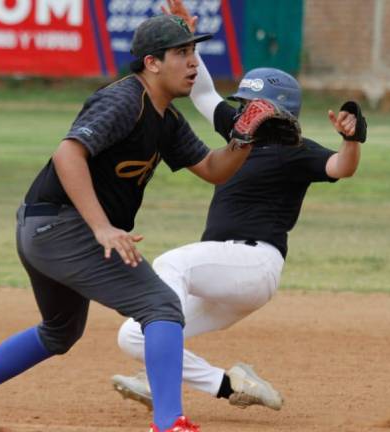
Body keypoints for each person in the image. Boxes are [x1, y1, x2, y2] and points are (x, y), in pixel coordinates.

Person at [0, 14, 255, 432]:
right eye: (182, 53)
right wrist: (101, 227)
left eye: (194, 52)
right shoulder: (124, 99)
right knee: (162, 307)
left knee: (60, 331)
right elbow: (68, 154)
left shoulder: (166, 119)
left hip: (41, 227)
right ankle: (170, 423)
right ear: (152, 63)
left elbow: (212, 168)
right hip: (62, 226)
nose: (193, 63)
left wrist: (244, 139)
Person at [110, 0, 367, 414]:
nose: (244, 110)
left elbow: (342, 167)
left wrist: (351, 140)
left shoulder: (295, 150)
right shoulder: (239, 135)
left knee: (170, 266)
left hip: (253, 264)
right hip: (223, 274)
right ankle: (229, 384)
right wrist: (185, 41)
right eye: (245, 104)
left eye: (253, 105)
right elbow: (204, 91)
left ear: (279, 111)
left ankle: (163, 386)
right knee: (133, 335)